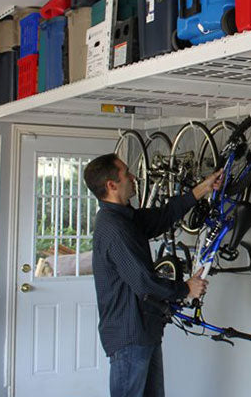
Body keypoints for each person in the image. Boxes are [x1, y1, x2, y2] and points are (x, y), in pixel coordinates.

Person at [83, 153, 223, 397]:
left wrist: (202, 189)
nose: (134, 177)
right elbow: (144, 282)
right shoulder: (115, 228)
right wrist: (185, 289)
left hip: (143, 330)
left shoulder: (124, 217)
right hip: (130, 334)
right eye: (127, 174)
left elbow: (163, 217)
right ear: (112, 185)